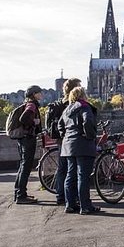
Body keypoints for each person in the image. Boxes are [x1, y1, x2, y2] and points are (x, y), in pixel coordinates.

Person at [59, 86, 101, 214]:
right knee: (83, 176)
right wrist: (90, 135)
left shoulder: (67, 109)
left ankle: (70, 205)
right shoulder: (84, 106)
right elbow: (88, 121)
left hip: (68, 147)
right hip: (83, 145)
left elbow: (60, 125)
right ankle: (85, 206)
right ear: (83, 95)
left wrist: (65, 136)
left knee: (70, 175)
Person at [51, 77, 83, 206]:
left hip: (61, 140)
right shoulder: (70, 105)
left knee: (62, 168)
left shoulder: (60, 102)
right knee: (71, 170)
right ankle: (71, 197)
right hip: (68, 140)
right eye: (79, 86)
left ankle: (61, 196)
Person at [13, 85, 43, 204]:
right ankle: (21, 196)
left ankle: (19, 193)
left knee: (22, 166)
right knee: (26, 166)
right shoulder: (31, 105)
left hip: (23, 139)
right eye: (39, 92)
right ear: (34, 94)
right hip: (28, 139)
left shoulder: (28, 103)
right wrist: (35, 122)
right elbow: (23, 118)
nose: (41, 94)